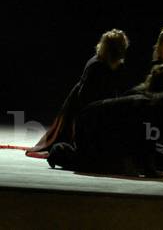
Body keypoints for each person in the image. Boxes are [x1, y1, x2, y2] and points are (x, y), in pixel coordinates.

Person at [27, 29, 130, 157]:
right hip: (82, 103)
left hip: (99, 103)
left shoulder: (117, 65)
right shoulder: (96, 65)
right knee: (67, 137)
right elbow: (85, 94)